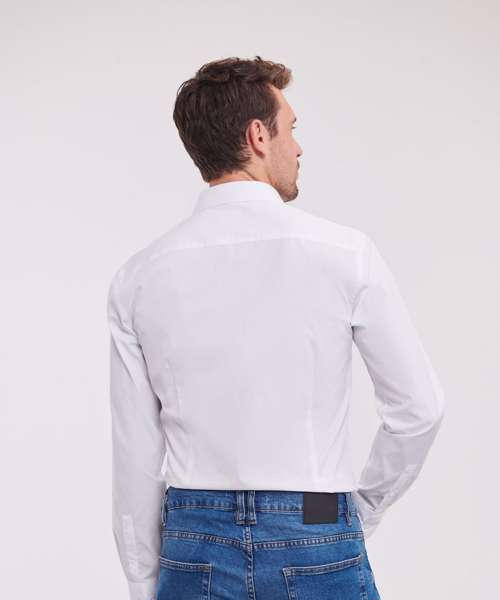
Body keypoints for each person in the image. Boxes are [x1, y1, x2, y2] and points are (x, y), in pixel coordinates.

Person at [107, 56, 445, 600]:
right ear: (258, 136)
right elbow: (419, 409)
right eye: (291, 128)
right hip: (316, 519)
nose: (299, 147)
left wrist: (144, 580)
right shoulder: (345, 254)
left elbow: (136, 455)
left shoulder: (139, 277)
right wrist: (356, 512)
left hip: (193, 535)